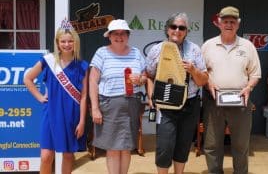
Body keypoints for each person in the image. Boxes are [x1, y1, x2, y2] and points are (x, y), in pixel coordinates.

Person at [201, 6, 261, 174]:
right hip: (213, 101)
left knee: (241, 144)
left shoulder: (248, 46)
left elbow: (255, 74)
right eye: (225, 21)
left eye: (232, 22)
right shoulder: (208, 46)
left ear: (238, 24)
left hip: (241, 101)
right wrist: (209, 84)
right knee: (212, 144)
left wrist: (249, 87)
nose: (229, 24)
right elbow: (201, 73)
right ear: (218, 23)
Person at [146, 12, 208, 174]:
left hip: (190, 104)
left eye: (182, 28)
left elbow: (203, 80)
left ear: (186, 31)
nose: (177, 30)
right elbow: (148, 75)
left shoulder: (194, 50)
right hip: (165, 105)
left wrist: (193, 70)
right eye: (174, 26)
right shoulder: (157, 50)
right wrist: (151, 96)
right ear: (167, 29)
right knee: (164, 147)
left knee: (183, 145)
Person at [23, 20, 89, 174]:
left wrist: (82, 121)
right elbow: (27, 79)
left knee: (67, 155)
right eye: (63, 41)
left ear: (75, 42)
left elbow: (84, 96)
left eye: (70, 41)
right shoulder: (48, 61)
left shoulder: (82, 65)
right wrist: (40, 97)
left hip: (71, 115)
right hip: (51, 114)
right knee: (46, 156)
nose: (67, 44)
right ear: (58, 43)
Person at [89, 19, 147, 174]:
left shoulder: (136, 52)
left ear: (128, 36)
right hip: (109, 105)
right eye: (115, 33)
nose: (119, 37)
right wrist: (95, 108)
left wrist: (140, 79)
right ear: (109, 36)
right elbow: (93, 81)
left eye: (123, 33)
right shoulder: (102, 52)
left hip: (131, 105)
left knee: (126, 147)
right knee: (113, 149)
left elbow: (145, 76)